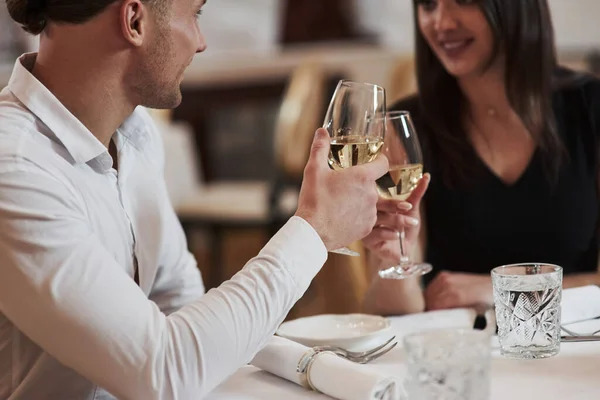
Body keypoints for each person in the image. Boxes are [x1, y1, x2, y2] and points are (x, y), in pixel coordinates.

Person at [0, 0, 389, 398]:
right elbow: (163, 371)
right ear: (135, 20)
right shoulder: (15, 170)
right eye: (195, 14)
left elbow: (179, 304)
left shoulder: (135, 134)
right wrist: (313, 230)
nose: (201, 42)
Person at [362, 0, 600, 315]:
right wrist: (395, 261)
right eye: (429, 5)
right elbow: (388, 315)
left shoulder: (591, 107)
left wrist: (501, 287)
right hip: (457, 354)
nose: (442, 23)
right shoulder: (403, 129)